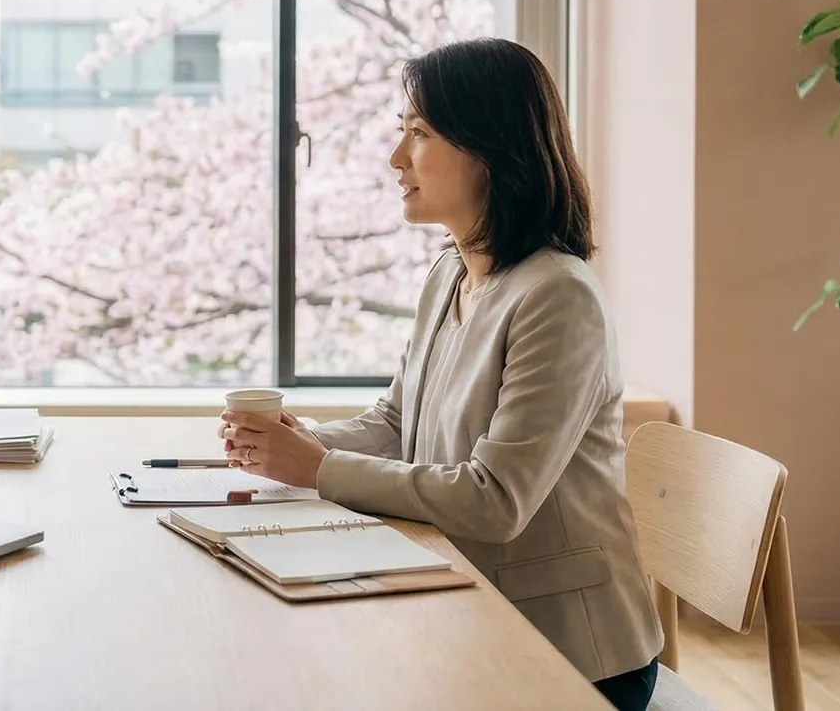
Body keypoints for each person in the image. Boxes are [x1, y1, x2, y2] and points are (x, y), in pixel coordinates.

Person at [220, 37, 664, 710]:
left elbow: (495, 500)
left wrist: (313, 467)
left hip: (569, 653)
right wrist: (296, 440)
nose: (397, 159)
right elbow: (399, 423)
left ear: (489, 151)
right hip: (465, 605)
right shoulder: (451, 274)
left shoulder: (558, 297)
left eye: (419, 134)